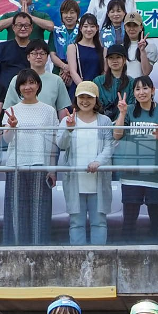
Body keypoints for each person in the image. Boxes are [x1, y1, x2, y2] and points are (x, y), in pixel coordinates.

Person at [3, 65, 60, 244]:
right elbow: (7, 140)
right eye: (24, 84)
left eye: (32, 83)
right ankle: (15, 252)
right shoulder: (12, 110)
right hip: (15, 165)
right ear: (18, 87)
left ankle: (39, 251)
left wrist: (52, 169)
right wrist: (11, 126)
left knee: (39, 214)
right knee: (16, 213)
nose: (28, 87)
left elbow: (53, 144)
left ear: (38, 85)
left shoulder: (49, 110)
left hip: (40, 165)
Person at [112, 75, 158, 238]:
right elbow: (117, 135)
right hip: (132, 174)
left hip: (156, 174)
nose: (141, 92)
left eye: (145, 88)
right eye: (137, 89)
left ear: (153, 90)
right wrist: (122, 113)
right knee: (129, 222)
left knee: (156, 221)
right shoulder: (129, 111)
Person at [57, 82, 115, 245]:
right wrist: (69, 129)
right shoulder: (68, 120)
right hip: (75, 180)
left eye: (89, 97)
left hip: (98, 179)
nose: (85, 101)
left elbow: (109, 146)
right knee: (76, 223)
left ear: (96, 99)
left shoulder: (104, 121)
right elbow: (61, 145)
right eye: (81, 97)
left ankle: (99, 259)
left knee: (99, 223)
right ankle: (77, 259)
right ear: (76, 98)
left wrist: (98, 162)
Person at [3, 37, 71, 113]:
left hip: (49, 124)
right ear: (28, 57)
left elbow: (62, 108)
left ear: (47, 57)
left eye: (42, 53)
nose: (38, 57)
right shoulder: (17, 79)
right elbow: (8, 108)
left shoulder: (56, 80)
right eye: (34, 53)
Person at [0, 11, 37, 98]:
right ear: (13, 27)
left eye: (26, 25)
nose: (23, 28)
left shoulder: (37, 49)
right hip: (6, 97)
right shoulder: (0, 48)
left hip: (32, 96)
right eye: (19, 25)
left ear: (31, 28)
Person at [66, 13, 106, 86]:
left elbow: (105, 72)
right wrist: (85, 88)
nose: (89, 29)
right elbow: (73, 72)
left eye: (92, 26)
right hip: (79, 89)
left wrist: (95, 88)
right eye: (85, 26)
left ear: (97, 28)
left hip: (97, 89)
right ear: (80, 28)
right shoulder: (73, 48)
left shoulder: (103, 50)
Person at [95, 43, 133, 110]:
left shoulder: (131, 82)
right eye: (111, 58)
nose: (114, 61)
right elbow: (96, 103)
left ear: (124, 60)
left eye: (118, 57)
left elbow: (132, 104)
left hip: (125, 118)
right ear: (107, 61)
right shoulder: (98, 81)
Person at [51, 0, 82, 83]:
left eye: (72, 12)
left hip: (79, 72)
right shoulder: (56, 32)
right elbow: (52, 54)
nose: (68, 16)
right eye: (65, 12)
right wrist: (64, 66)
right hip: (58, 73)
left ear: (77, 14)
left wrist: (71, 70)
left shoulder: (83, 31)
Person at [123, 11, 158, 79]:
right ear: (125, 27)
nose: (132, 29)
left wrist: (142, 51)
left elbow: (146, 72)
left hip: (140, 87)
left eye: (135, 25)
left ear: (141, 27)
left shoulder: (150, 46)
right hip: (125, 87)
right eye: (129, 25)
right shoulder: (121, 47)